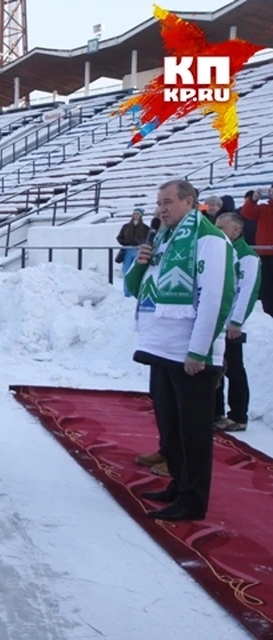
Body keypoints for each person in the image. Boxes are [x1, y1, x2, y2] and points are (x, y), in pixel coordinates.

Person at [126, 179, 234, 521]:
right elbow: (131, 288)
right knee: (170, 426)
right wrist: (141, 263)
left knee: (193, 431)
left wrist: (199, 350)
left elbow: (217, 297)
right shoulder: (164, 240)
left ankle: (193, 498)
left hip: (191, 354)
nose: (160, 208)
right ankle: (178, 482)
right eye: (158, 202)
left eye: (168, 201)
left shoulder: (209, 240)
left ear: (189, 203)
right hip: (161, 348)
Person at [214, 212, 262, 432]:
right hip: (215, 321)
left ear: (236, 230)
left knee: (233, 369)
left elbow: (247, 291)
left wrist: (236, 321)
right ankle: (215, 412)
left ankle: (238, 415)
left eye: (222, 228)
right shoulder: (219, 251)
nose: (217, 231)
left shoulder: (247, 256)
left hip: (230, 323)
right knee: (214, 368)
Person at [239, 184, 273, 318]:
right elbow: (246, 213)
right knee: (266, 287)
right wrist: (253, 199)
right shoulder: (263, 208)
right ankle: (268, 314)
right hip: (264, 254)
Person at [116, 208, 150, 298]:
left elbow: (148, 239)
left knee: (135, 270)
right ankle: (126, 292)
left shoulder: (145, 228)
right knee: (126, 270)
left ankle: (135, 291)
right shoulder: (126, 227)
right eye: (134, 214)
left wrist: (139, 243)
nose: (136, 216)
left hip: (138, 250)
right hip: (127, 250)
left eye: (138, 214)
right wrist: (126, 243)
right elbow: (119, 238)